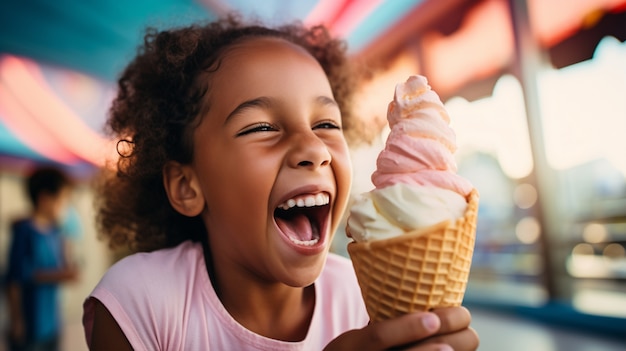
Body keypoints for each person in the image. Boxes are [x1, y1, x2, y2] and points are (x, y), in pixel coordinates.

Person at [83, 15, 479, 351]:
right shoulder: (137, 303)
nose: (313, 147)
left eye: (326, 124)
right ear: (188, 186)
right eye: (261, 127)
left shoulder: (365, 298)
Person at [6, 166, 79, 351]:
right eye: (63, 200)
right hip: (30, 325)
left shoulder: (56, 232)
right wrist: (17, 320)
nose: (65, 208)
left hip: (52, 324)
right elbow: (15, 278)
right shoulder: (24, 231)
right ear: (45, 199)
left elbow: (65, 265)